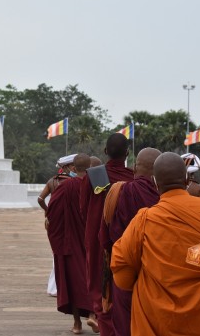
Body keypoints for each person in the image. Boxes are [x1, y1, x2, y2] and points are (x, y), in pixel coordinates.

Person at [111, 152, 200, 336]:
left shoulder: (145, 220)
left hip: (157, 317)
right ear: (187, 178)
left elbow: (121, 269)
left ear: (155, 183)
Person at [80, 133, 134, 336]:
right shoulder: (133, 178)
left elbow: (83, 209)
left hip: (97, 240)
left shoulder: (92, 176)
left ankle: (101, 316)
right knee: (121, 286)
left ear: (105, 152)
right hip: (124, 239)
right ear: (127, 152)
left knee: (100, 284)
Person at [103, 147, 161, 336]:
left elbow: (105, 236)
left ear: (135, 167)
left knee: (125, 323)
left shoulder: (119, 191)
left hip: (124, 270)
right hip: (157, 274)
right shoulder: (163, 198)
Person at [46, 153, 98, 334]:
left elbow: (51, 214)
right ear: (90, 169)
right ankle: (93, 314)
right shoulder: (96, 186)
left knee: (72, 281)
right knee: (92, 278)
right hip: (91, 241)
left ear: (74, 169)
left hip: (70, 243)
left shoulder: (65, 186)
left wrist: (56, 237)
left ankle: (77, 324)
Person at [38, 153, 77, 297]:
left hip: (55, 222)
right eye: (73, 165)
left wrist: (48, 212)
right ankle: (61, 286)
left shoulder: (52, 182)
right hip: (68, 222)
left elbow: (40, 199)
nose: (75, 168)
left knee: (57, 253)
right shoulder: (73, 182)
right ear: (66, 167)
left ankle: (55, 286)